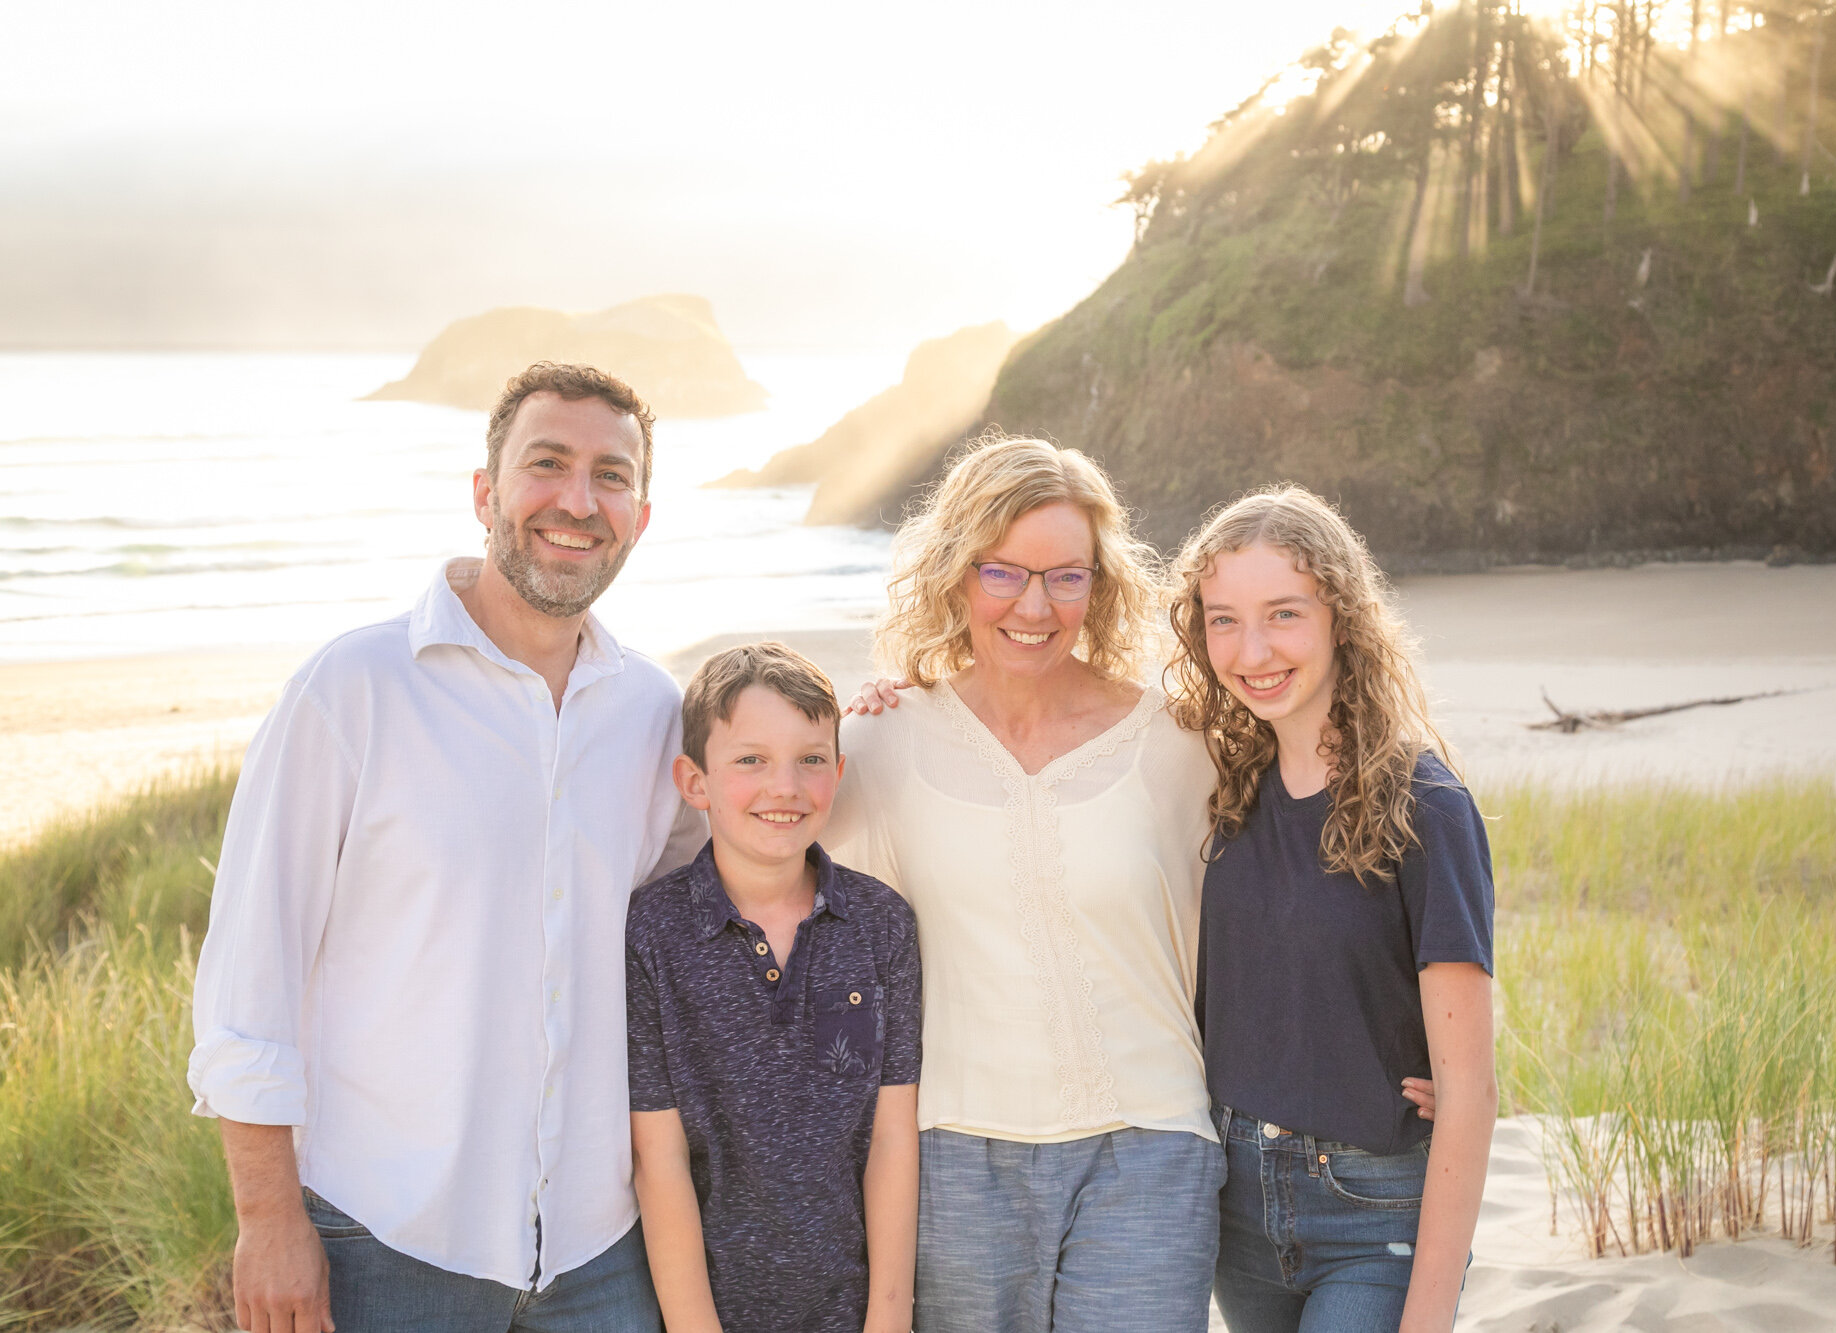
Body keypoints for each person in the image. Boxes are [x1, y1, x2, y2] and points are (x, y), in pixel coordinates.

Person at [188, 362, 705, 1333]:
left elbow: (736, 879)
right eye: (545, 463)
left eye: (610, 475)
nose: (576, 500)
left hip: (601, 1246)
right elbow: (250, 976)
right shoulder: (354, 689)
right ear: (485, 494)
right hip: (386, 1236)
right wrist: (267, 1220)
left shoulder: (654, 715)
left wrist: (886, 721)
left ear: (638, 514)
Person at [822, 435, 1222, 1333]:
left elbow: (1285, 897)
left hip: (1151, 1145)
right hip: (954, 1156)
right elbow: (769, 870)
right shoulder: (886, 742)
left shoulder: (1180, 741)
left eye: (1066, 577)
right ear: (956, 573)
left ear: (1100, 582)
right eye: (1003, 573)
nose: (1035, 606)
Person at [1166, 486, 1497, 1333]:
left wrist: (1427, 1316)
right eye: (1223, 620)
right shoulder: (1220, 788)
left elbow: (1467, 1087)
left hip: (1373, 1204)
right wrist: (910, 697)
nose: (1253, 650)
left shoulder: (1426, 804)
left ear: (1341, 617)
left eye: (1283, 613)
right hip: (1237, 1204)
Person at [626, 642, 921, 1333]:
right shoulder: (652, 932)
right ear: (694, 781)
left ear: (840, 771)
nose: (784, 786)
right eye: (750, 759)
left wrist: (889, 1317)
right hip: (707, 1309)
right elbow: (658, 1155)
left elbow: (891, 1137)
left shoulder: (880, 924)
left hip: (855, 1308)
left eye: (811, 759)